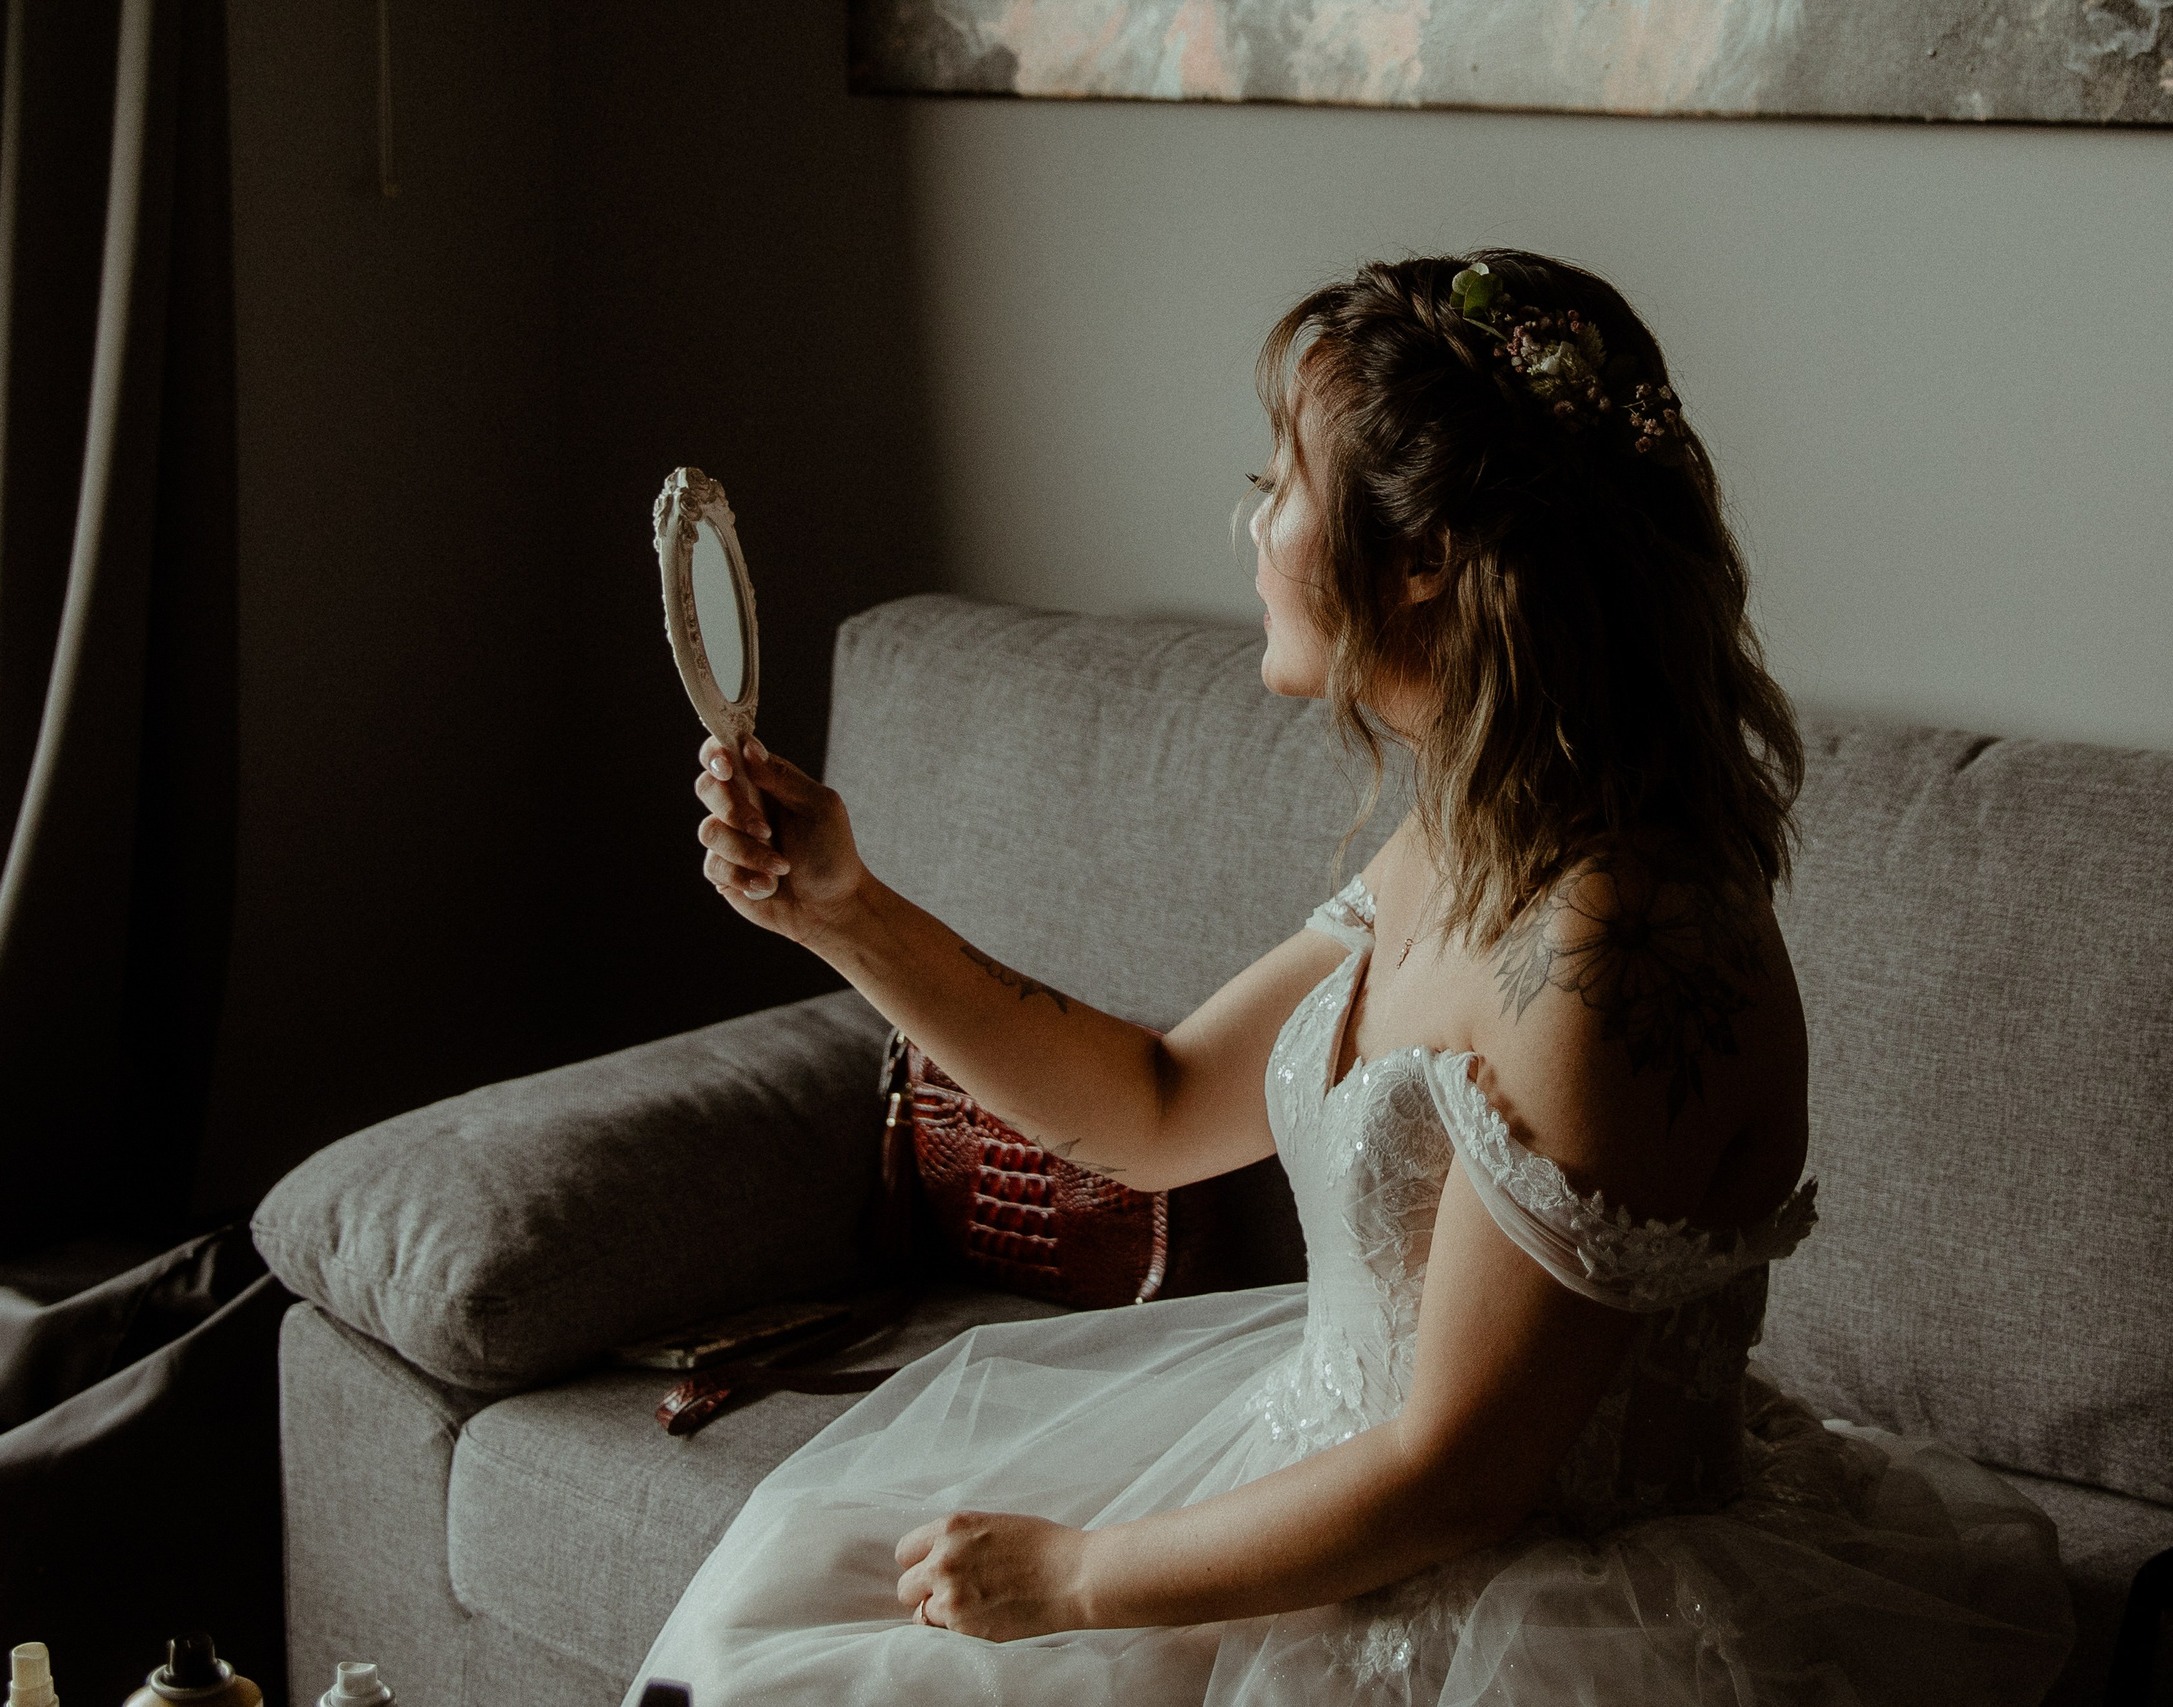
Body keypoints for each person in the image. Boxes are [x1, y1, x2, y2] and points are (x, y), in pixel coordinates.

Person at [631, 251, 2072, 1705]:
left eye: (1278, 484)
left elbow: (1455, 1478)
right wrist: (846, 913)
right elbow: (1157, 1103)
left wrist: (1075, 1580)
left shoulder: (1614, 957)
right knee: (788, 1604)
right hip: (1325, 1482)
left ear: (1425, 555)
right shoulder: (1468, 827)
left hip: (1508, 1611)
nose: (1249, 526)